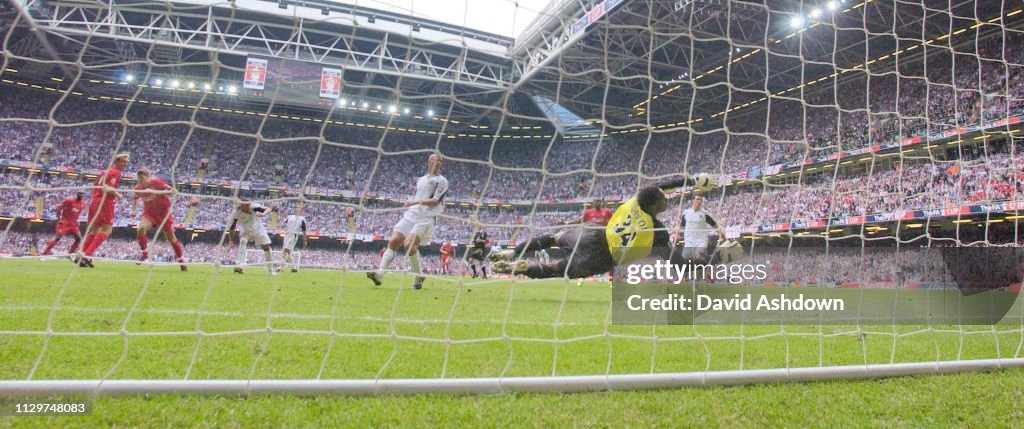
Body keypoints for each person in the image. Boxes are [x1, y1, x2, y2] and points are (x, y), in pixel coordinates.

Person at [491, 175, 716, 279]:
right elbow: (680, 265)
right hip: (603, 258)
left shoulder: (637, 200)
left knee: (554, 238)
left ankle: (513, 251)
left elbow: (663, 185)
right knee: (555, 269)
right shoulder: (658, 231)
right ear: (655, 205)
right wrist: (717, 258)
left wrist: (692, 180)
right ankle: (521, 267)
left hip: (594, 235)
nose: (667, 200)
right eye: (663, 200)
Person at [366, 153, 449, 290]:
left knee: (409, 244)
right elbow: (420, 195)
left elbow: (435, 201)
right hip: (412, 214)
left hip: (426, 217)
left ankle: (418, 275)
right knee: (393, 241)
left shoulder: (442, 181)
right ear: (429, 162)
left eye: (441, 161)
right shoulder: (421, 180)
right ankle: (379, 274)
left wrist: (414, 202)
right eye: (436, 160)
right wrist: (412, 203)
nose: (439, 163)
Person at [78, 153, 129, 267]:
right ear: (117, 161)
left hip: (95, 200)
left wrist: (95, 199)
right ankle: (87, 255)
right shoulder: (116, 172)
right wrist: (118, 194)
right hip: (105, 202)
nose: (125, 164)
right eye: (123, 161)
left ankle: (80, 255)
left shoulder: (105, 171)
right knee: (107, 230)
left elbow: (95, 186)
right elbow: (108, 188)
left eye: (126, 162)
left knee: (94, 231)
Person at [132, 168, 187, 271]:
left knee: (171, 239)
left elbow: (171, 191)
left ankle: (181, 262)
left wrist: (153, 191)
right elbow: (135, 198)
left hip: (163, 214)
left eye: (142, 178)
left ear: (148, 177)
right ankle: (145, 254)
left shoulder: (156, 182)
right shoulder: (138, 188)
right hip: (150, 215)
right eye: (138, 178)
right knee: (140, 229)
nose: (140, 180)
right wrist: (134, 210)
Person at [226, 201, 275, 275]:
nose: (248, 207)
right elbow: (231, 228)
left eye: (248, 205)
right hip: (246, 229)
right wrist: (230, 241)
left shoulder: (254, 206)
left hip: (258, 228)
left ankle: (270, 270)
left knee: (266, 247)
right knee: (243, 241)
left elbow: (268, 209)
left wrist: (263, 214)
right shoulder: (236, 213)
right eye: (245, 206)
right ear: (241, 206)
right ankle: (240, 265)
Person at [41, 192, 85, 257]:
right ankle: (43, 254)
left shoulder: (83, 204)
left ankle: (69, 254)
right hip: (65, 222)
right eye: (80, 193)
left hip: (73, 223)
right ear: (77, 194)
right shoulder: (69, 201)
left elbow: (77, 213)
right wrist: (59, 219)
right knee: (57, 238)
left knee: (79, 238)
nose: (81, 195)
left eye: (83, 194)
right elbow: (59, 208)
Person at [280, 206, 308, 273]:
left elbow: (304, 230)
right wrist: (284, 225)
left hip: (293, 235)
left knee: (285, 250)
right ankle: (293, 267)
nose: (297, 209)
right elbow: (283, 223)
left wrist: (305, 240)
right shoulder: (290, 217)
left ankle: (281, 267)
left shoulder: (302, 219)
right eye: (297, 207)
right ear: (295, 209)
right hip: (286, 235)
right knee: (287, 252)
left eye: (299, 208)